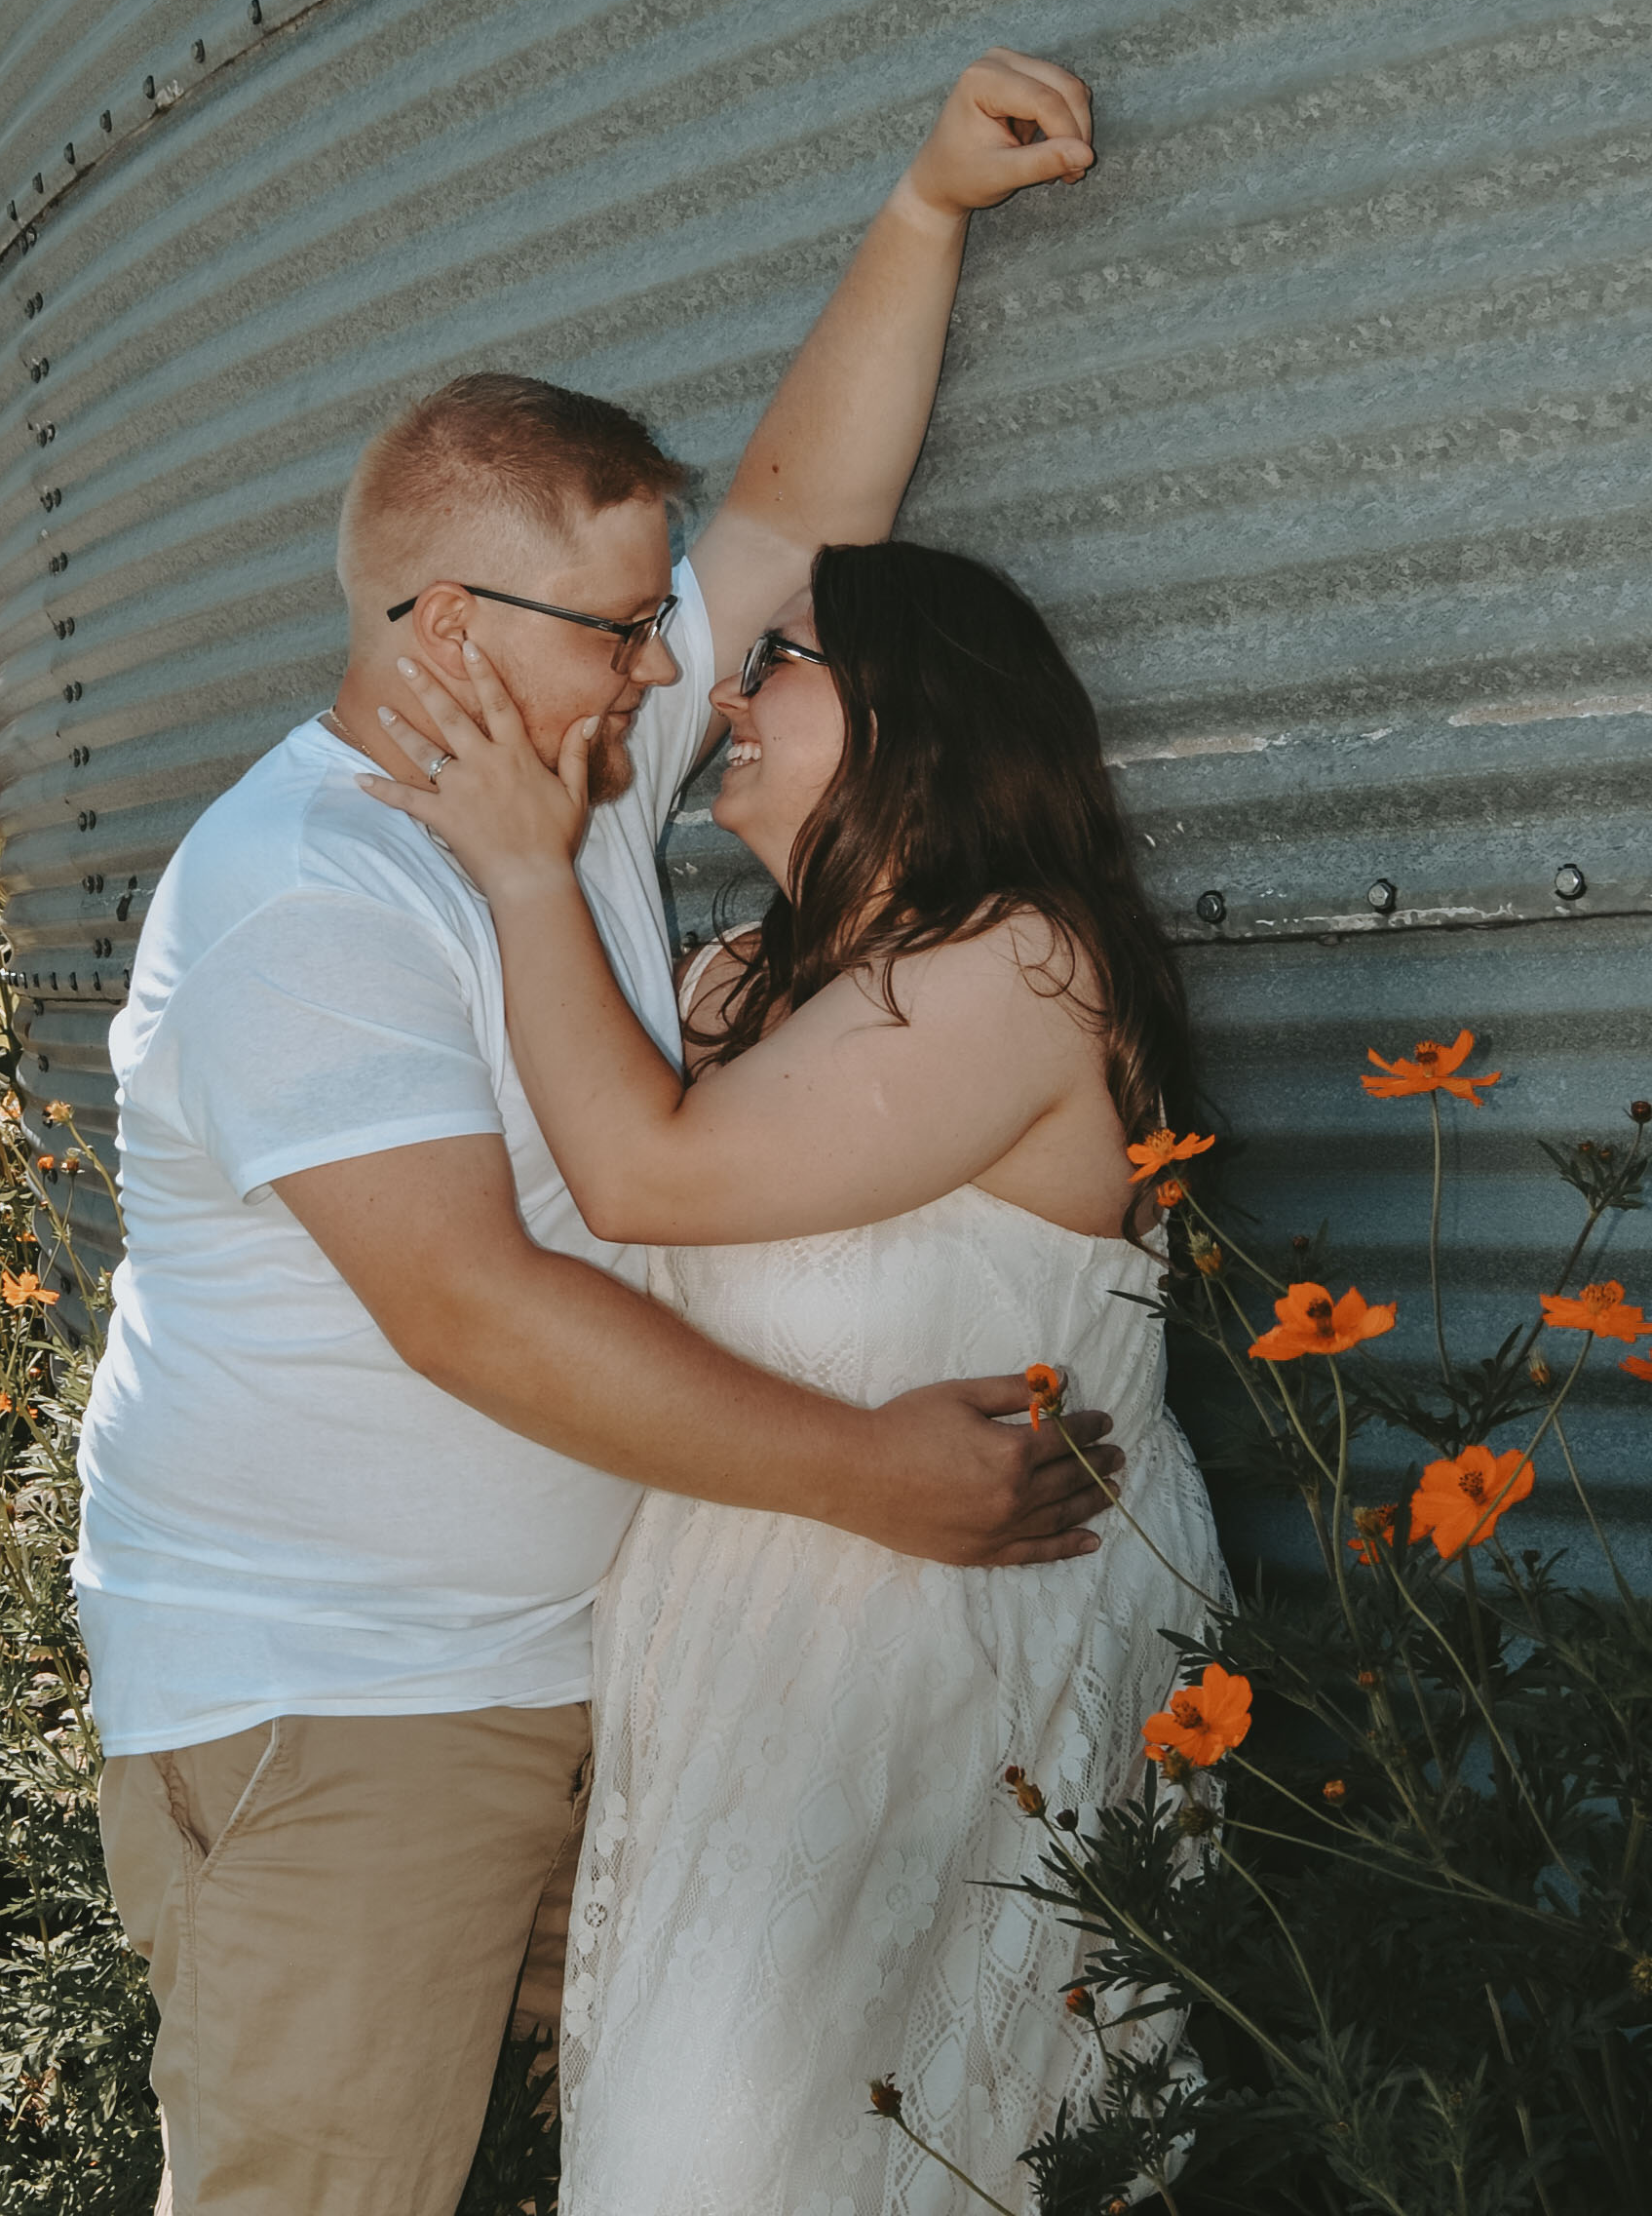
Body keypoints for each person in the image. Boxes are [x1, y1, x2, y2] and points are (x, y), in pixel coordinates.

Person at [73, 52, 1116, 2216]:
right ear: (442, 628)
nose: (671, 667)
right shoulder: (304, 893)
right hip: (346, 1714)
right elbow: (472, 1306)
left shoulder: (567, 792)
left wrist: (922, 208)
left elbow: (797, 510)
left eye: (660, 620)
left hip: (577, 1673)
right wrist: (878, 1476)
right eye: (624, 627)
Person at [363, 541, 1229, 2213]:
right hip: (743, 1666)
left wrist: (533, 876)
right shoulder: (740, 985)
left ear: (922, 715)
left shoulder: (1025, 968)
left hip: (960, 1675)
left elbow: (647, 1183)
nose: (732, 699)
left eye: (783, 662)